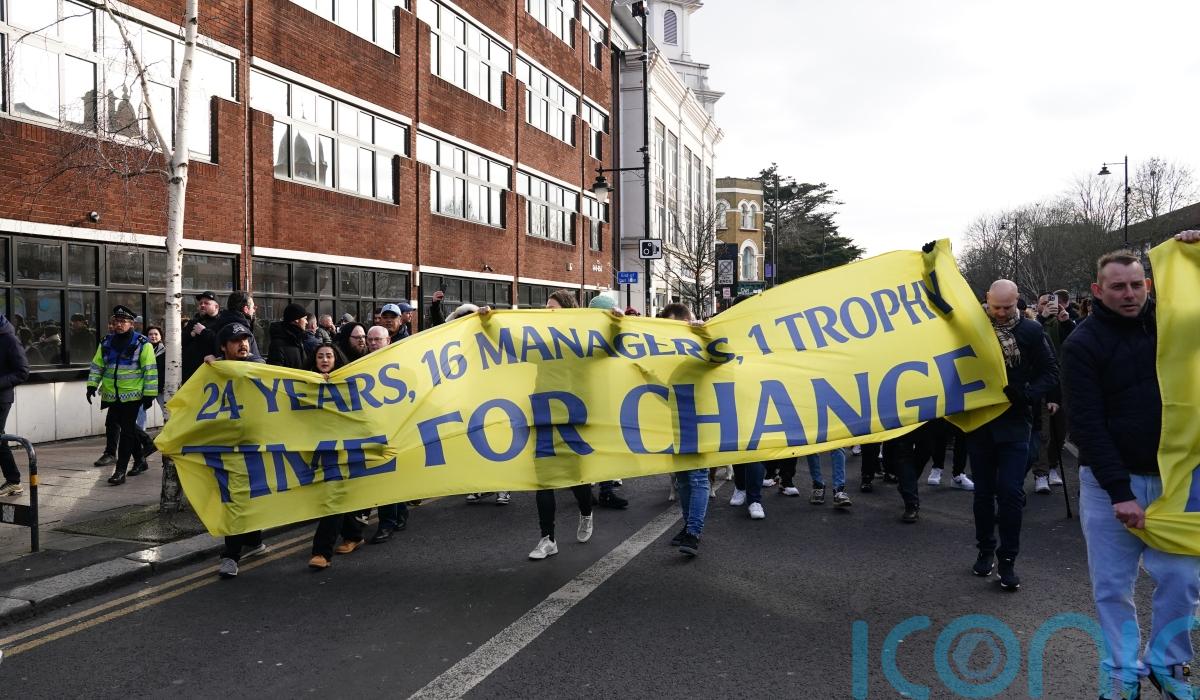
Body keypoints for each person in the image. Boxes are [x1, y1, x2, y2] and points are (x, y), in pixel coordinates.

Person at [1062, 232, 1200, 700]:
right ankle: (1122, 673)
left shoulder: (1175, 324)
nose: (1129, 294)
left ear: (1149, 285)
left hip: (1176, 481)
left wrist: (1195, 252)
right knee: (1112, 587)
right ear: (1097, 290)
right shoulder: (1082, 343)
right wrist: (1119, 492)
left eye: (1137, 285)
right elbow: (1087, 424)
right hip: (1109, 486)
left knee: (1183, 580)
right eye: (1118, 286)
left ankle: (1168, 665)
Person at [967, 280, 1058, 591]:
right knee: (983, 494)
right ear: (987, 300)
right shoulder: (973, 327)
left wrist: (1028, 393)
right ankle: (985, 550)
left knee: (1010, 493)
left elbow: (1051, 371)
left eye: (1008, 307)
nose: (1002, 313)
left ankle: (1007, 560)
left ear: (1017, 300)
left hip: (1016, 422)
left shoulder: (1031, 330)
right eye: (996, 307)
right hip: (980, 422)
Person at [528, 289, 594, 559]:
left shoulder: (580, 341)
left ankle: (586, 512)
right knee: (543, 479)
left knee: (574, 474)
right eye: (546, 308)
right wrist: (487, 322)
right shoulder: (539, 341)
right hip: (543, 412)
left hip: (571, 414)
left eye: (552, 308)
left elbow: (609, 350)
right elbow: (509, 345)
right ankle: (548, 539)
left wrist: (615, 323)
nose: (547, 312)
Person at [208, 322, 270, 578]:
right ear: (223, 347)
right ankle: (234, 553)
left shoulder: (258, 366)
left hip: (254, 445)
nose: (243, 344)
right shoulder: (211, 371)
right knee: (234, 497)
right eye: (236, 341)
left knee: (249, 495)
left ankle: (249, 543)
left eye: (246, 339)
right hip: (227, 446)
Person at [306, 343, 369, 570]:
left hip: (342, 450)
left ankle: (321, 552)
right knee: (333, 496)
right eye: (320, 356)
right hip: (318, 450)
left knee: (332, 497)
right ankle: (353, 534)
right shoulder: (303, 384)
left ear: (336, 359)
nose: (324, 360)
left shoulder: (347, 382)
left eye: (329, 356)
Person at [86, 306, 158, 485]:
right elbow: (97, 366)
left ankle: (120, 471)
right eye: (116, 321)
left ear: (131, 324)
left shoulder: (142, 343)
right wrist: (92, 385)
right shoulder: (106, 342)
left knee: (126, 433)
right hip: (112, 395)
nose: (118, 325)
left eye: (123, 321)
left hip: (133, 395)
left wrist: (149, 395)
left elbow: (150, 371)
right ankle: (141, 459)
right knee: (125, 427)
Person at [364, 325, 411, 543]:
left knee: (387, 476)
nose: (373, 343)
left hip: (395, 429)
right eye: (370, 339)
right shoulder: (360, 364)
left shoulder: (399, 363)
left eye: (377, 340)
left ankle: (387, 523)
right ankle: (400, 513)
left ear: (388, 341)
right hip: (373, 429)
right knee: (386, 476)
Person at [0, 314, 30, 497]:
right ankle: (13, 480)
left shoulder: (9, 339)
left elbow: (22, 371)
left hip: (1, 398)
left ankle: (14, 480)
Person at [182, 291, 221, 382]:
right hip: (189, 375)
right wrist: (191, 335)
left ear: (216, 306)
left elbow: (222, 343)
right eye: (200, 303)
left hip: (209, 375)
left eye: (206, 303)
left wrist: (204, 332)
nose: (202, 305)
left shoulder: (221, 322)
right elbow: (181, 342)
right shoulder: (193, 322)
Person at [266, 303, 313, 369]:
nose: (306, 322)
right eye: (305, 318)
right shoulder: (278, 344)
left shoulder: (298, 340)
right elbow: (275, 371)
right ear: (296, 319)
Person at [145, 326, 167, 414]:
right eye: (150, 334)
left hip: (161, 388)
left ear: (160, 336)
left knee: (167, 412)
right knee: (140, 411)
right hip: (146, 388)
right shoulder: (142, 351)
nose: (153, 336)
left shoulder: (167, 352)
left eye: (156, 334)